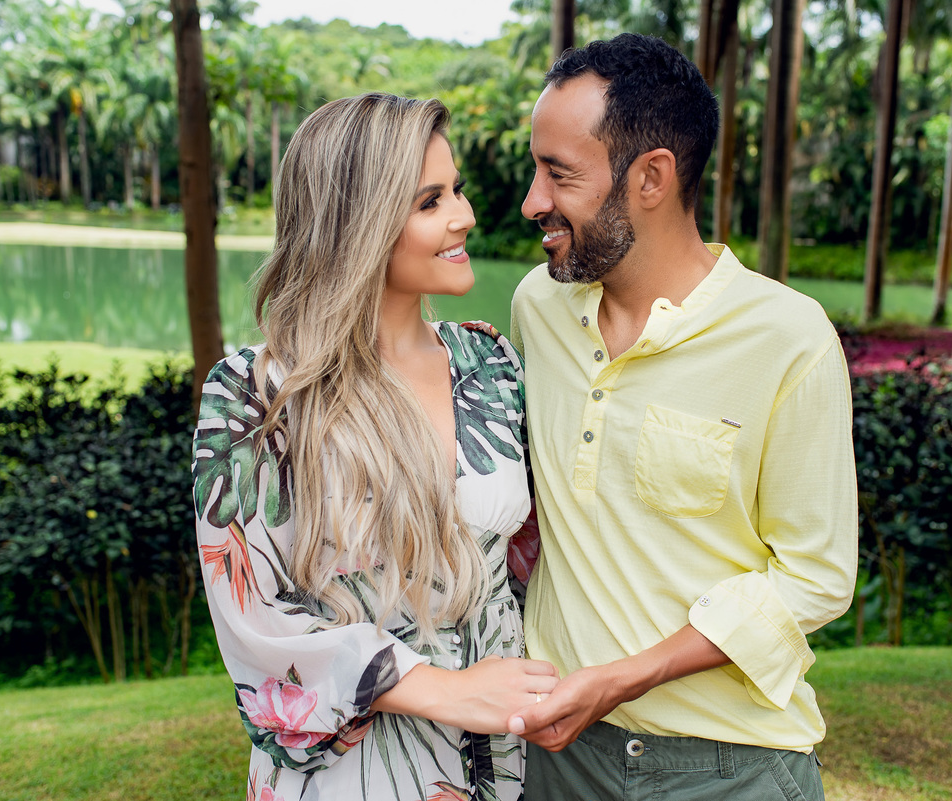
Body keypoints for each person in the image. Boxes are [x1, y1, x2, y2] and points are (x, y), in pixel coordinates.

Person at [506, 34, 858, 800]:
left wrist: (626, 675)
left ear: (652, 177)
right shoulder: (539, 306)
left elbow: (817, 576)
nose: (533, 201)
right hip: (558, 759)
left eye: (557, 174)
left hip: (732, 766)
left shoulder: (788, 338)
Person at [192, 93, 556, 801]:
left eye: (457, 190)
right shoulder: (257, 394)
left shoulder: (491, 364)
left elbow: (526, 560)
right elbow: (252, 616)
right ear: (358, 222)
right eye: (430, 201)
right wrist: (440, 690)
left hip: (498, 759)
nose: (465, 216)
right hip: (350, 772)